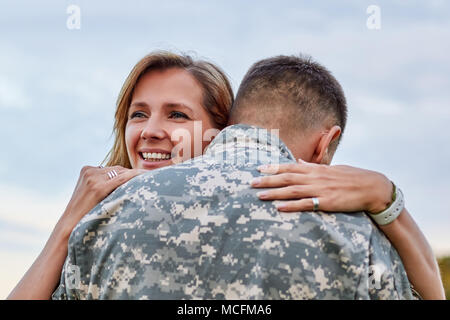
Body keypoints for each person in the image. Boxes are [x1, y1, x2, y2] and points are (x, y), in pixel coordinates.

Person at [7, 51, 443, 299]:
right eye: (138, 113)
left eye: (177, 115)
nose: (152, 130)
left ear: (222, 129)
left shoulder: (107, 224)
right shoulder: (97, 217)